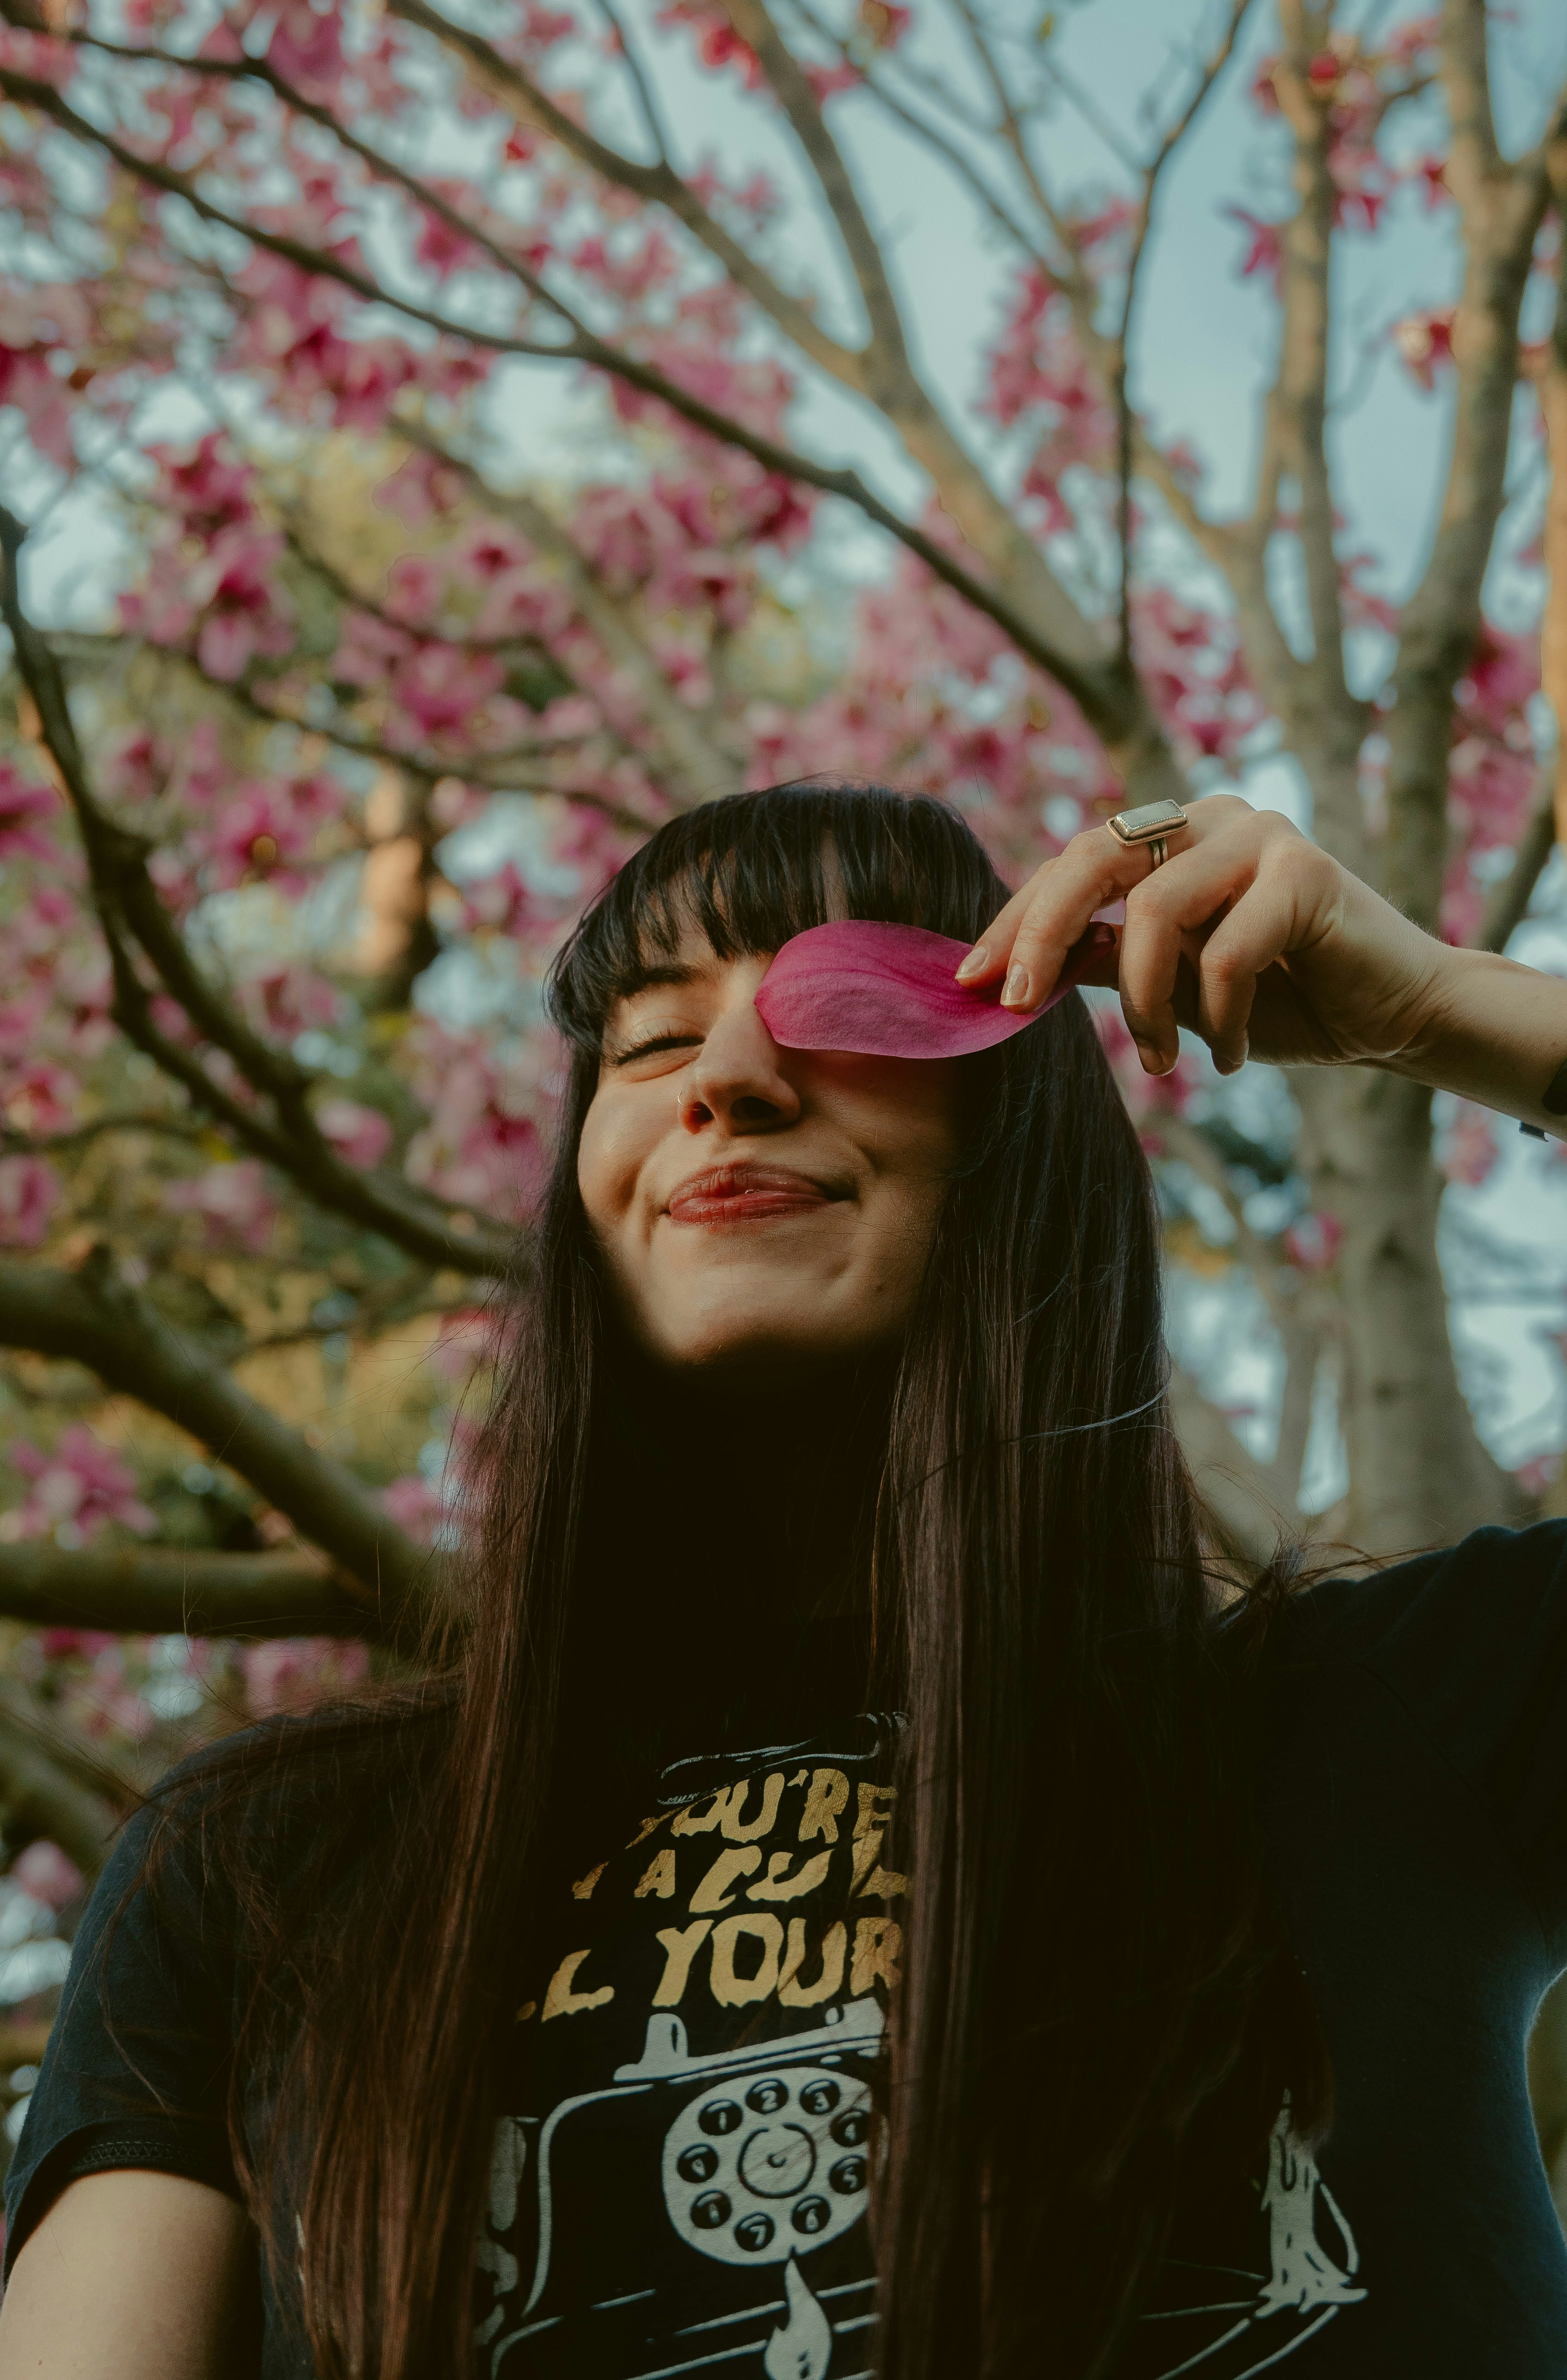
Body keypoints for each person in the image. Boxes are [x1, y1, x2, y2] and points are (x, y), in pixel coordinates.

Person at [4, 782, 1567, 2380]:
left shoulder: (1390, 1725)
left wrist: (1446, 1011)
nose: (733, 1082)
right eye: (654, 1042)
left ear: (1014, 1126)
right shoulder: (257, 1869)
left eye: (844, 1010)